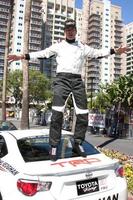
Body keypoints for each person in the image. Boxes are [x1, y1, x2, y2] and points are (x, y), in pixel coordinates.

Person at [7, 19, 130, 161]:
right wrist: (22, 56)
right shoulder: (58, 46)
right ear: (65, 31)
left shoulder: (82, 47)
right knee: (57, 114)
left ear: (76, 31)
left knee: (83, 114)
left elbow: (97, 53)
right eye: (68, 30)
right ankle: (53, 145)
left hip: (77, 81)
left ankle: (78, 143)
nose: (70, 32)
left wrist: (115, 50)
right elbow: (43, 53)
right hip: (62, 80)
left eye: (72, 29)